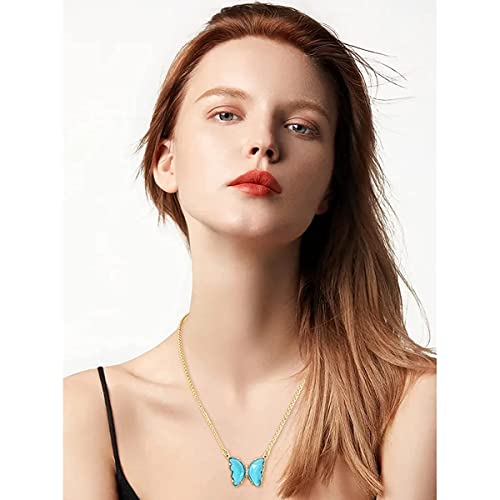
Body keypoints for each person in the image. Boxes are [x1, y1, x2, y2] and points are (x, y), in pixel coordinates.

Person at [64, 3, 436, 499]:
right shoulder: (83, 414)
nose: (263, 142)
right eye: (226, 114)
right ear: (166, 162)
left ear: (329, 187)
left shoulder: (412, 402)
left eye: (300, 126)